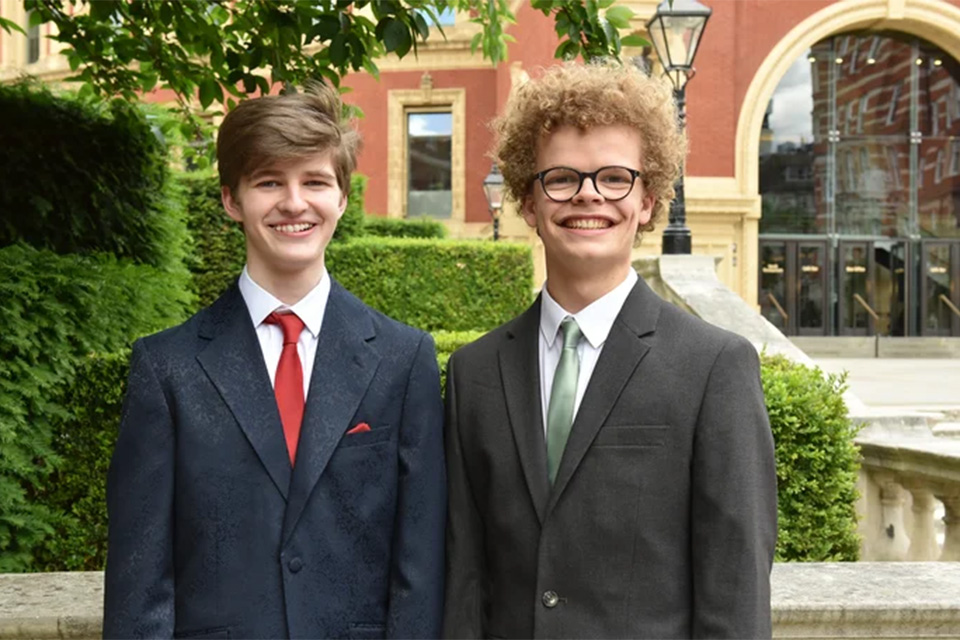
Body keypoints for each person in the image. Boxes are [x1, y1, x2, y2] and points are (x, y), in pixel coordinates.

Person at [443, 62, 777, 639]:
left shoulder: (713, 367)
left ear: (648, 201)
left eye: (615, 177)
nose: (588, 194)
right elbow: (465, 577)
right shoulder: (475, 372)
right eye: (562, 177)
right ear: (528, 202)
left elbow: (735, 585)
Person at [103, 83, 445, 639]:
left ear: (343, 198)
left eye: (314, 181)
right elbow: (140, 582)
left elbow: (420, 567)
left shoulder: (405, 361)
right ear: (231, 200)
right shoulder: (166, 368)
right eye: (269, 182)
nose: (294, 202)